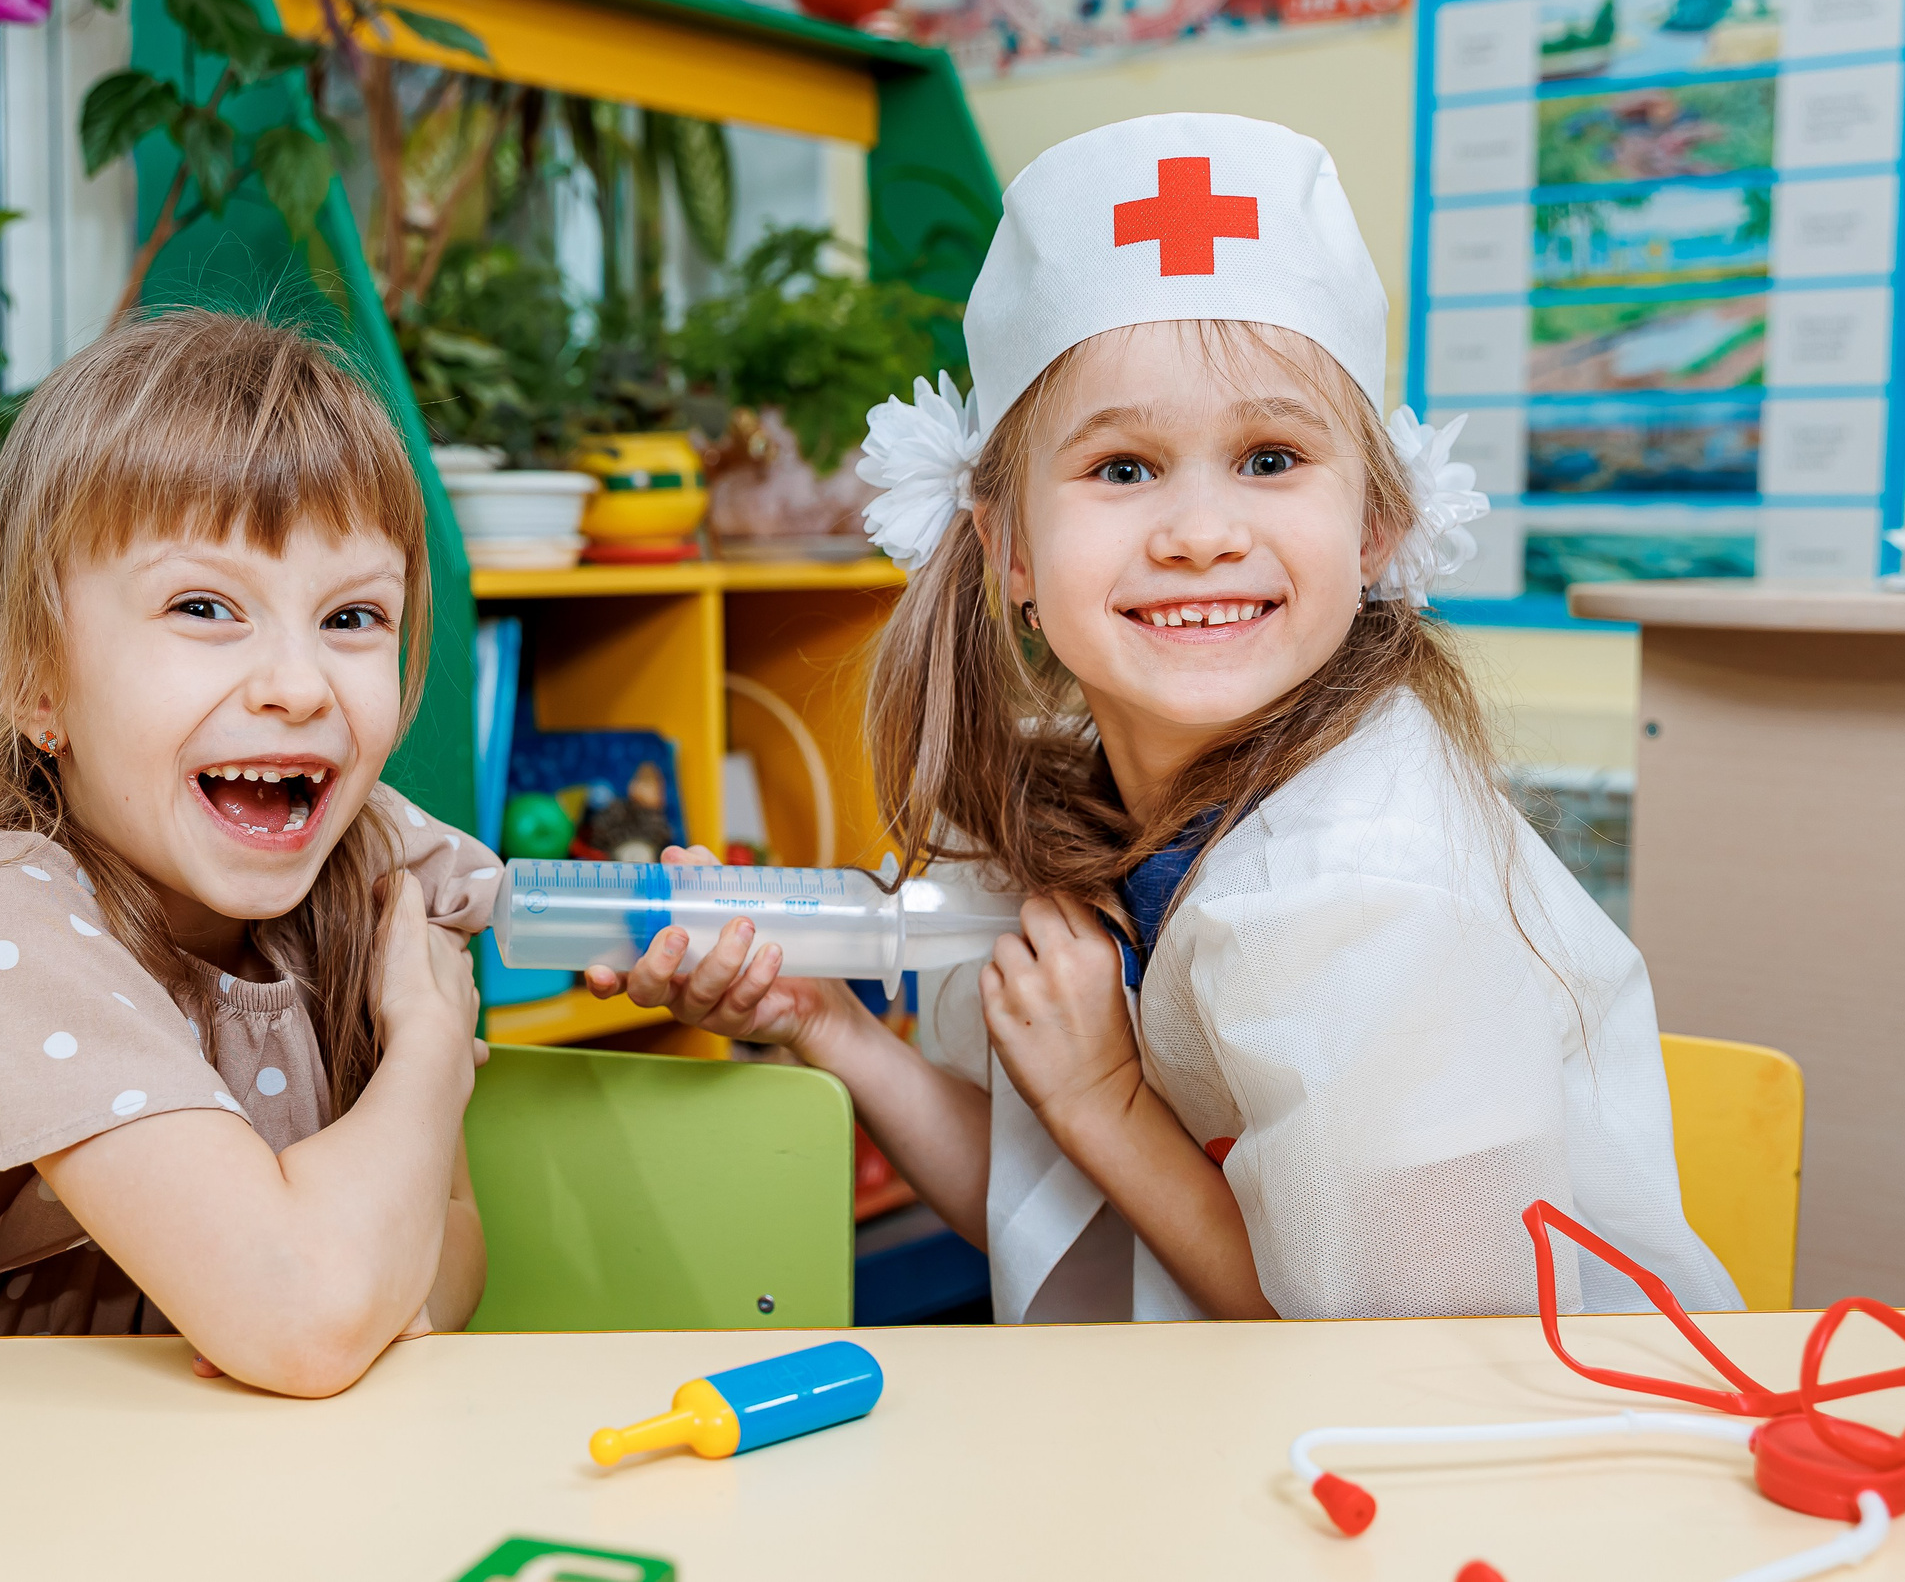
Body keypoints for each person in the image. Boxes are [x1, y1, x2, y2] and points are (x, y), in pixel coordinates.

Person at [591, 114, 1739, 1324]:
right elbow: (1065, 1217)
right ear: (1008, 545)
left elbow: (1404, 1369)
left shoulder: (1377, 900)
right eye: (1124, 468)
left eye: (1269, 457)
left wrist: (1103, 1099)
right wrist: (831, 1030)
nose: (1199, 533)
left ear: (1375, 530)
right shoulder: (1086, 810)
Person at [0, 311, 501, 1395]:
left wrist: (349, 1278)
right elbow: (315, 1323)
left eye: (353, 617)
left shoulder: (369, 881)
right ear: (35, 684)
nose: (300, 685)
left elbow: (453, 1256)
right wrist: (430, 1054)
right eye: (205, 605)